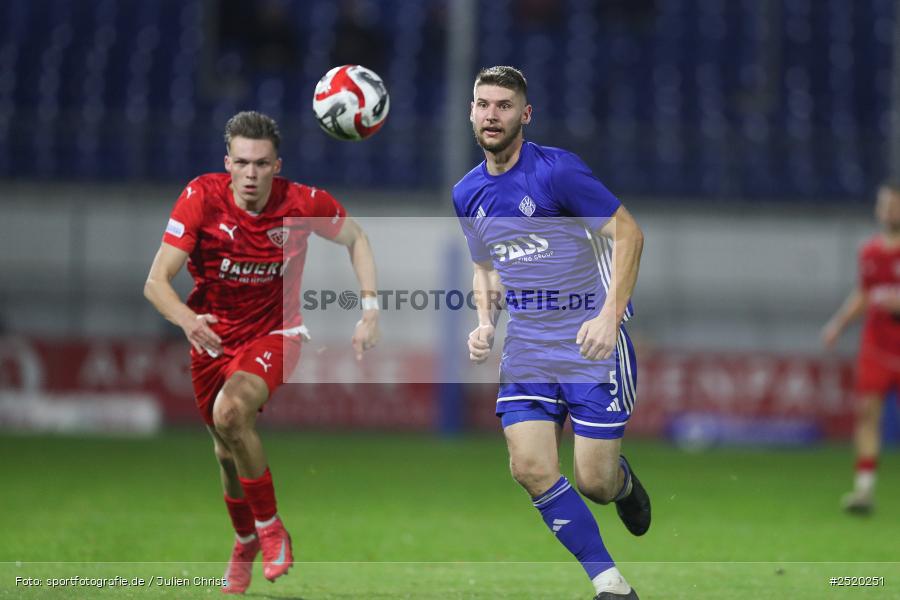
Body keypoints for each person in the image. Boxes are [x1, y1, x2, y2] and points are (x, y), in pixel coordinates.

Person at [144, 111, 380, 593]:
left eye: (262, 164)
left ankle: (271, 530)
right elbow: (155, 283)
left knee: (231, 414)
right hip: (209, 335)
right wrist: (189, 321)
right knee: (225, 451)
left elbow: (356, 238)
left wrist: (370, 309)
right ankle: (243, 540)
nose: (251, 174)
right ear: (227, 163)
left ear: (278, 165)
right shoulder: (200, 198)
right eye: (243, 163)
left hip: (276, 334)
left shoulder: (301, 202)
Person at [452, 66, 649, 600]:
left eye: (504, 106)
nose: (492, 115)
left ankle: (623, 484)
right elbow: (486, 266)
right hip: (530, 347)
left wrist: (610, 316)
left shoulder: (558, 173)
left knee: (594, 483)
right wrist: (486, 322)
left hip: (591, 343)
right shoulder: (467, 193)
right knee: (530, 466)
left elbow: (629, 233)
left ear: (524, 114)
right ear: (471, 110)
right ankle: (610, 585)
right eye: (483, 104)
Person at [822, 182, 900, 514]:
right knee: (867, 413)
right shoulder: (869, 251)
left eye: (895, 205)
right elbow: (865, 294)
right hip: (877, 345)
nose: (889, 211)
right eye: (885, 205)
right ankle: (864, 491)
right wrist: (838, 323)